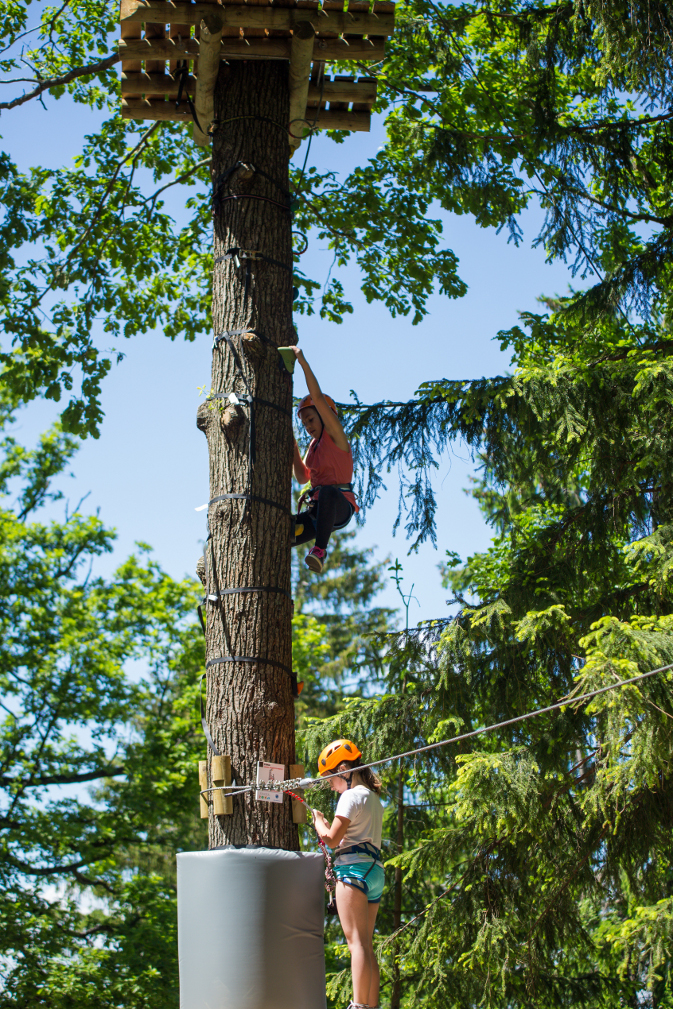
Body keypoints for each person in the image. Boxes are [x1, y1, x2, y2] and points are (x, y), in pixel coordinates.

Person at [312, 739, 384, 1009]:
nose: (329, 784)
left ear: (343, 769)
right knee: (366, 944)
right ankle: (371, 1005)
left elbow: (331, 840)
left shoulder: (349, 796)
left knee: (356, 944)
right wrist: (333, 830)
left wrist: (319, 822)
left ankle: (358, 1005)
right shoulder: (373, 799)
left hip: (353, 871)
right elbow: (352, 836)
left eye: (330, 777)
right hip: (373, 870)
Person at [291, 347, 359, 573]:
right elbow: (302, 477)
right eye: (304, 424)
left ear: (325, 415)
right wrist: (290, 439)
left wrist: (302, 362)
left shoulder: (335, 436)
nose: (308, 426)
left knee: (329, 491)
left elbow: (317, 398)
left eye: (311, 419)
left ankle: (320, 550)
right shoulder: (313, 447)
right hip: (317, 513)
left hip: (338, 506)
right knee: (283, 531)